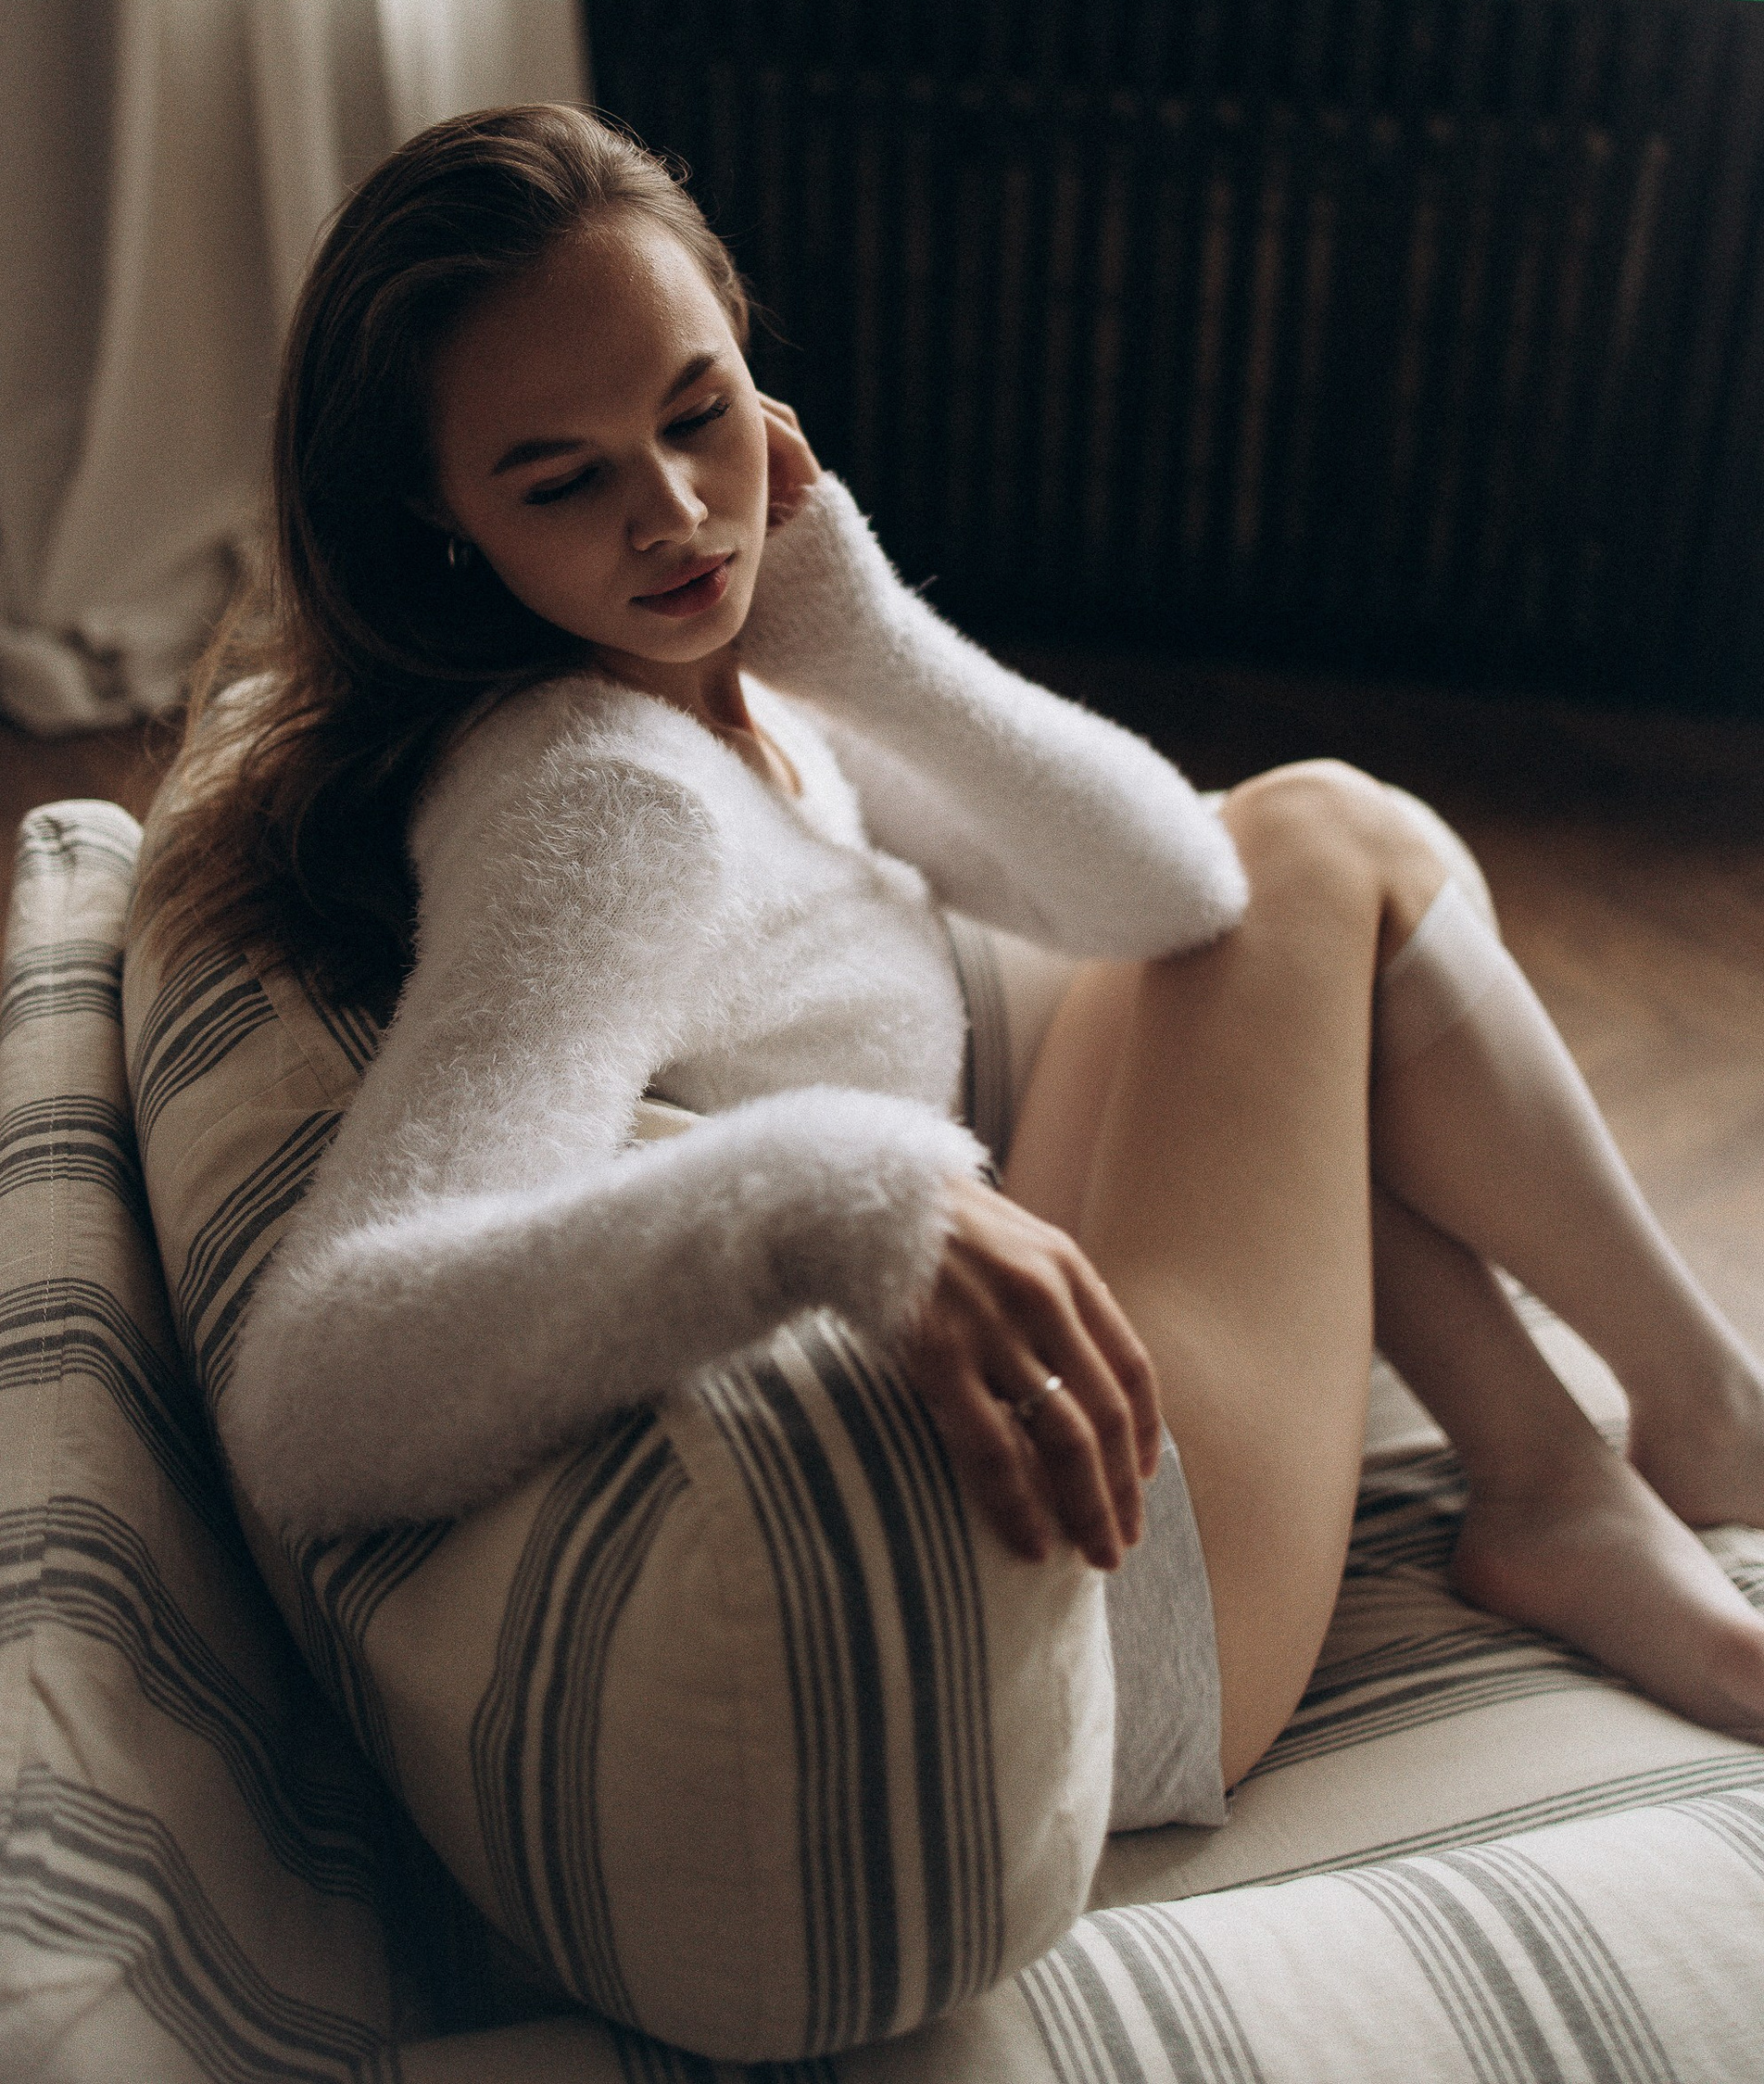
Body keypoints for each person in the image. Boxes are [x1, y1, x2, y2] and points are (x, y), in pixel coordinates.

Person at [136, 103, 1764, 1834]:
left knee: (1291, 893)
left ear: (749, 363)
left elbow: (1167, 888)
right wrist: (828, 1198)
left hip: (1069, 1455)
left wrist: (850, 630)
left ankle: (1561, 1477)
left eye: (696, 413)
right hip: (1114, 1629)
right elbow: (318, 1403)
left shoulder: (715, 693)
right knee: (1326, 838)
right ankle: (1699, 1417)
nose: (677, 515)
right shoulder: (604, 808)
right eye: (563, 480)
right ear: (438, 516)